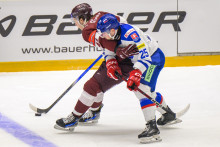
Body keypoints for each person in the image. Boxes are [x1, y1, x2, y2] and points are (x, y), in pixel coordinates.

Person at [96, 14, 178, 143]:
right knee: (145, 92)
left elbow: (145, 57)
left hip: (154, 59)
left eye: (104, 33)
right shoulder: (110, 36)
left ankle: (152, 129)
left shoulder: (131, 34)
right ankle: (168, 114)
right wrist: (111, 63)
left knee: (143, 90)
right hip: (141, 61)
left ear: (112, 30)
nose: (102, 36)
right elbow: (108, 52)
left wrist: (136, 73)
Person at [54, 3, 138, 129]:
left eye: (75, 21)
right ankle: (94, 112)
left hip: (124, 61)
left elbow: (104, 40)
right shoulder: (102, 14)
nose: (75, 24)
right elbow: (123, 22)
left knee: (91, 86)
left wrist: (116, 49)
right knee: (96, 86)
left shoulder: (87, 31)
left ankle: (74, 118)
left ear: (82, 19)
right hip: (123, 56)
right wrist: (114, 49)